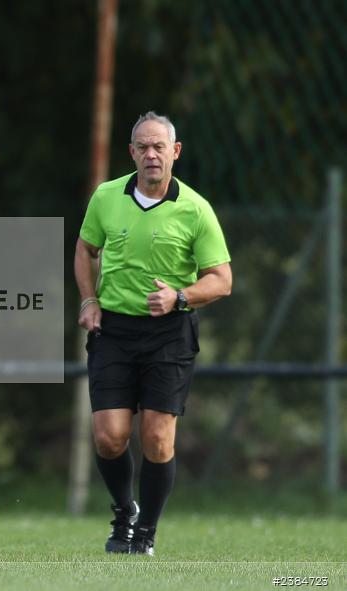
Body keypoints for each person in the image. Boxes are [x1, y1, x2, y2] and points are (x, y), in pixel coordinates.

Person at [75, 111, 232, 556]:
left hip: (169, 332)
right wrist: (88, 300)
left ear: (174, 152)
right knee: (109, 436)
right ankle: (125, 511)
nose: (151, 154)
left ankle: (145, 534)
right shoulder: (106, 196)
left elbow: (222, 280)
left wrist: (180, 296)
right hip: (114, 329)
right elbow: (86, 249)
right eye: (142, 147)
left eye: (159, 147)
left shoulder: (195, 209)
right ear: (131, 153)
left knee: (158, 439)